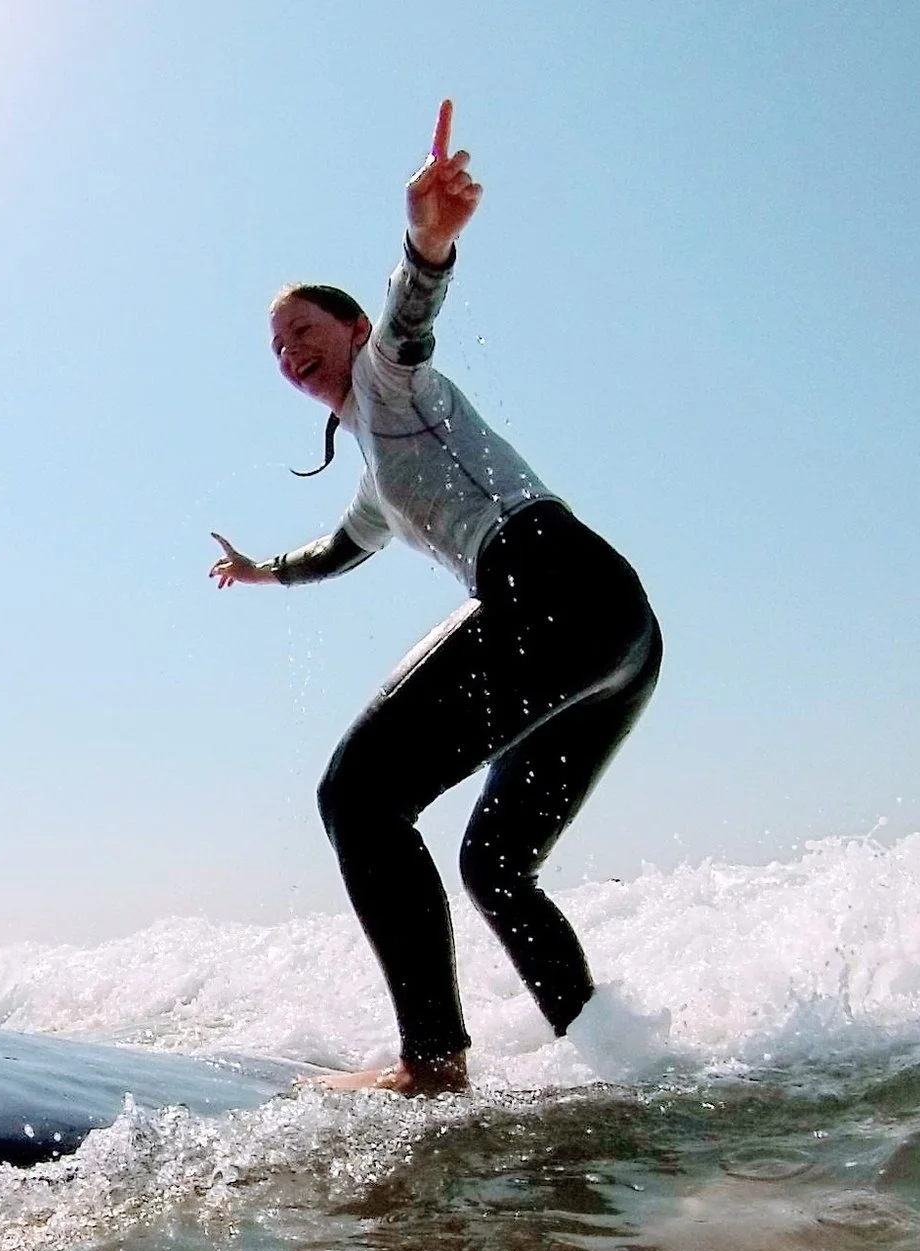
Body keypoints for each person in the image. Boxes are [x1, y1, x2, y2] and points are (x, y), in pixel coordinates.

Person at [209, 100, 662, 1095]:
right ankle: (624, 1065)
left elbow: (410, 323)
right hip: (614, 626)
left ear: (352, 330)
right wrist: (263, 570)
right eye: (275, 346)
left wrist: (424, 242)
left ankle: (432, 1062)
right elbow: (340, 547)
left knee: (356, 796)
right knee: (495, 863)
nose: (289, 350)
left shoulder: (389, 385)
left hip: (549, 584)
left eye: (302, 329)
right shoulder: (377, 475)